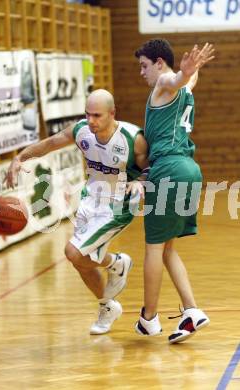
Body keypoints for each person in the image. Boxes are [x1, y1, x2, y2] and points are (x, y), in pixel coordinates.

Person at [6, 89, 148, 335]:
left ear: (112, 113)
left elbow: (153, 164)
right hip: (90, 199)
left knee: (73, 252)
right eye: (87, 114)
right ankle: (107, 303)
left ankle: (116, 263)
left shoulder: (131, 137)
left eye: (97, 115)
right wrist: (21, 157)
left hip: (119, 204)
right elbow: (50, 143)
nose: (91, 120)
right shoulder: (82, 130)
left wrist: (142, 181)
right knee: (81, 263)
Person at [134, 39, 215, 343]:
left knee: (154, 247)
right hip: (189, 171)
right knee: (168, 249)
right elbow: (188, 79)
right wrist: (192, 72)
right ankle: (192, 311)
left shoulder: (164, 85)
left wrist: (182, 73)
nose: (141, 73)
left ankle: (149, 318)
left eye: (144, 65)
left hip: (168, 170)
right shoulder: (186, 88)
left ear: (158, 63)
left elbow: (175, 78)